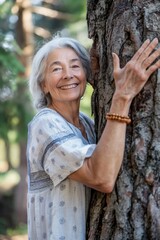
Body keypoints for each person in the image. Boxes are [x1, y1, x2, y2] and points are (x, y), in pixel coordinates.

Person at [26, 36, 160, 240]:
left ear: (86, 74)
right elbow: (102, 178)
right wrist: (122, 96)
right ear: (43, 84)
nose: (68, 75)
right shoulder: (45, 124)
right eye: (56, 69)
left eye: (74, 66)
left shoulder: (86, 124)